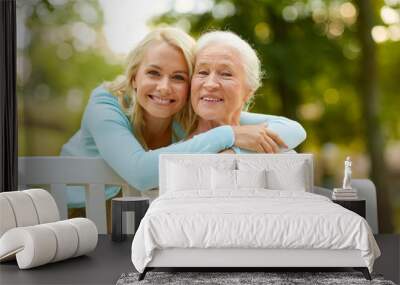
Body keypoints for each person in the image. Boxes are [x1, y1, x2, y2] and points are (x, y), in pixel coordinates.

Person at [61, 27, 306, 212]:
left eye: (178, 77)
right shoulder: (105, 103)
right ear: (134, 77)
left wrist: (232, 152)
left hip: (128, 218)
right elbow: (140, 172)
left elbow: (291, 129)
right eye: (153, 73)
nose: (164, 88)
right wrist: (228, 135)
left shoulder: (186, 112)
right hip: (75, 213)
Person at [189, 30, 305, 153]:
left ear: (249, 91)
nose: (210, 84)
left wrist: (234, 153)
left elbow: (295, 130)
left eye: (226, 74)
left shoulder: (283, 156)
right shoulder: (173, 145)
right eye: (202, 72)